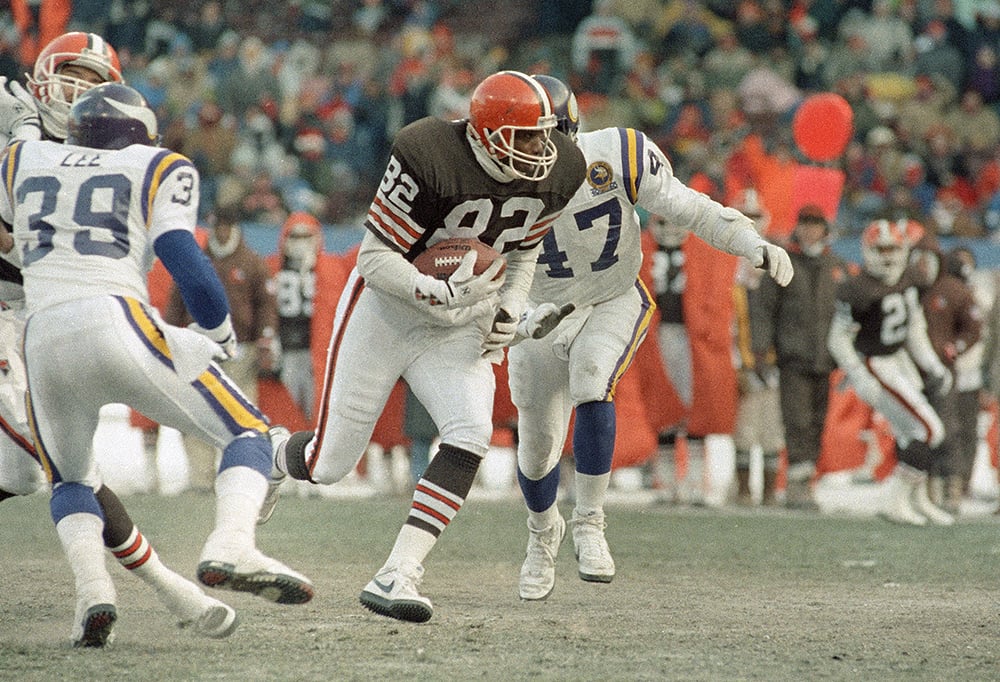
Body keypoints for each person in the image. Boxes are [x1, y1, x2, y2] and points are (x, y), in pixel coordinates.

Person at [265, 70, 588, 623]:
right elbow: (372, 258)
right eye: (528, 136)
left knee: (472, 433)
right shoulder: (428, 150)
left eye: (545, 134)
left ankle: (399, 572)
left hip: (461, 321)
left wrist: (510, 305)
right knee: (328, 464)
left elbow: (525, 249)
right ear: (488, 134)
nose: (543, 148)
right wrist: (434, 290)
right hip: (387, 310)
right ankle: (269, 453)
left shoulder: (563, 168)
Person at [0, 82, 313, 647]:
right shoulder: (158, 164)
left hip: (41, 334)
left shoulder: (22, 157)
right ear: (138, 133)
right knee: (248, 431)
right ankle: (231, 544)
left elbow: (21, 144)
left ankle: (92, 592)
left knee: (70, 479)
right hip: (116, 316)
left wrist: (22, 120)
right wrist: (217, 330)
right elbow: (182, 255)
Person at [510, 75, 793, 601]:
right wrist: (518, 317)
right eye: (515, 138)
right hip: (537, 307)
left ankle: (591, 523)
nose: (522, 153)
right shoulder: (493, 179)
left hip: (610, 295)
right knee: (536, 443)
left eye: (532, 138)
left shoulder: (618, 153)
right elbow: (488, 272)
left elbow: (690, 207)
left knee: (593, 380)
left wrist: (748, 241)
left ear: (565, 132)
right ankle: (541, 534)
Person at [827, 219, 955, 526]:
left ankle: (917, 500)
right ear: (867, 250)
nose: (886, 256)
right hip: (877, 363)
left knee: (912, 433)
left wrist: (932, 365)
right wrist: (860, 375)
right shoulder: (856, 288)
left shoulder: (910, 277)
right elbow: (837, 339)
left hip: (900, 361)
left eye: (893, 248)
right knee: (928, 431)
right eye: (880, 249)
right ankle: (896, 501)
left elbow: (914, 330)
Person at [164, 200, 280, 493]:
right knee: (197, 412)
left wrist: (266, 336)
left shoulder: (252, 262)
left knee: (241, 414)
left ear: (235, 227)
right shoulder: (196, 260)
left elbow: (266, 304)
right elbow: (176, 302)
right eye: (218, 226)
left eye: (227, 226)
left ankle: (240, 476)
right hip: (198, 347)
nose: (222, 232)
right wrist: (168, 336)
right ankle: (200, 478)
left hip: (242, 350)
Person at [749, 204, 848, 508]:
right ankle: (796, 482)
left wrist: (848, 355)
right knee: (797, 420)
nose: (809, 229)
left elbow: (847, 313)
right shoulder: (783, 261)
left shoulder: (837, 265)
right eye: (804, 223)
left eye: (815, 224)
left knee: (817, 421)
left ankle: (806, 480)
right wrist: (761, 349)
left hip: (825, 356)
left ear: (825, 228)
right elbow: (764, 310)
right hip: (793, 355)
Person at [907, 230, 982, 513]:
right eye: (918, 259)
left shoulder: (952, 289)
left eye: (928, 259)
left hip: (942, 369)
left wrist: (956, 346)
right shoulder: (907, 287)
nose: (923, 266)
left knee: (947, 426)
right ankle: (922, 483)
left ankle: (951, 482)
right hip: (911, 370)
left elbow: (973, 327)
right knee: (915, 427)